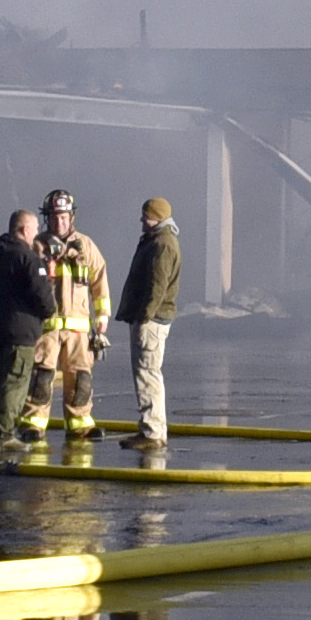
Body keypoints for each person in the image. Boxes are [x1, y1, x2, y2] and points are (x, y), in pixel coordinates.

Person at [0, 207, 52, 464]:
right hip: (21, 333)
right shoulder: (28, 259)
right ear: (25, 230)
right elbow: (44, 299)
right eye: (35, 229)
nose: (37, 234)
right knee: (15, 383)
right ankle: (5, 435)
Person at [115, 192, 185, 448]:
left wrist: (144, 317)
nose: (142, 220)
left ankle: (152, 433)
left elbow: (157, 284)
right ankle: (152, 429)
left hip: (152, 321)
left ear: (156, 218)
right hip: (153, 318)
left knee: (147, 373)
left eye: (146, 216)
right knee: (148, 372)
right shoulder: (159, 241)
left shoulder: (162, 244)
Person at [42, 192, 108, 433]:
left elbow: (100, 280)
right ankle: (33, 424)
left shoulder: (86, 246)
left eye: (63, 217)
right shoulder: (39, 247)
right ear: (47, 219)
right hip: (46, 328)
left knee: (80, 379)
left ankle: (80, 424)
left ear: (71, 217)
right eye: (54, 217)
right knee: (41, 377)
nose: (59, 223)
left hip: (78, 329)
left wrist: (102, 317)